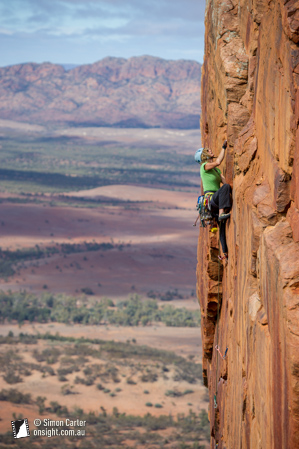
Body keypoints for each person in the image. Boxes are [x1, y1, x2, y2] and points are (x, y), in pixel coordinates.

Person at [194, 140, 232, 260]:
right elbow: (218, 161)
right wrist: (223, 148)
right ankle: (221, 213)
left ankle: (225, 253)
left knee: (222, 227)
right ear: (204, 156)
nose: (211, 151)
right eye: (208, 151)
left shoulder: (216, 171)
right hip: (211, 199)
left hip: (216, 200)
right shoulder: (204, 167)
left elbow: (225, 182)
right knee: (225, 188)